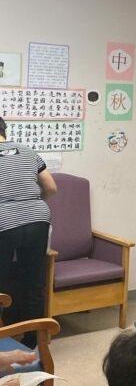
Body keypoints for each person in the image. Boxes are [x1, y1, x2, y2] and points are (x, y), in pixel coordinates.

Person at [0, 117, 57, 346]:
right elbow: (51, 188)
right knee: (34, 283)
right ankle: (34, 340)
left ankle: (3, 339)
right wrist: (30, 204)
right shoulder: (27, 151)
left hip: (3, 222)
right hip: (38, 219)